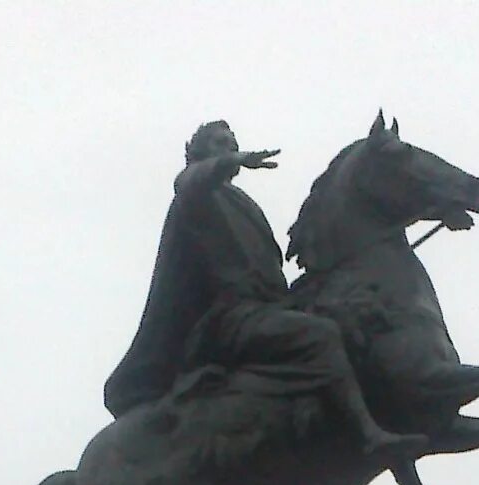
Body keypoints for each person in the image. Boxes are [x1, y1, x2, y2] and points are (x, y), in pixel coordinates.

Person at [104, 120, 428, 467]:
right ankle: (368, 434)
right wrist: (236, 160)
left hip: (265, 309)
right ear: (200, 152)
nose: (228, 147)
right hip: (231, 319)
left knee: (352, 330)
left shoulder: (242, 203)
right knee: (320, 335)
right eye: (219, 143)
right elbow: (188, 181)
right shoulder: (196, 195)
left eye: (232, 142)